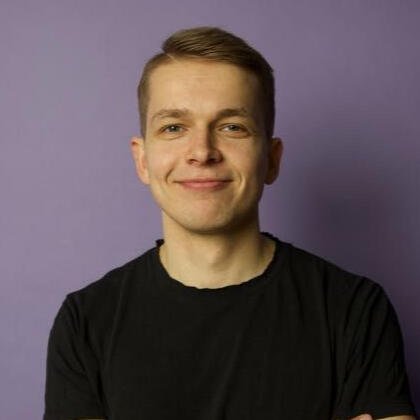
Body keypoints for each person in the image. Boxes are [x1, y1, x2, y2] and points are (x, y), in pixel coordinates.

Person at [43, 26, 417, 420]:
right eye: (174, 127)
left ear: (271, 159)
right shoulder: (86, 321)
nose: (202, 152)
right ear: (142, 160)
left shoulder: (354, 309)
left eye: (232, 127)